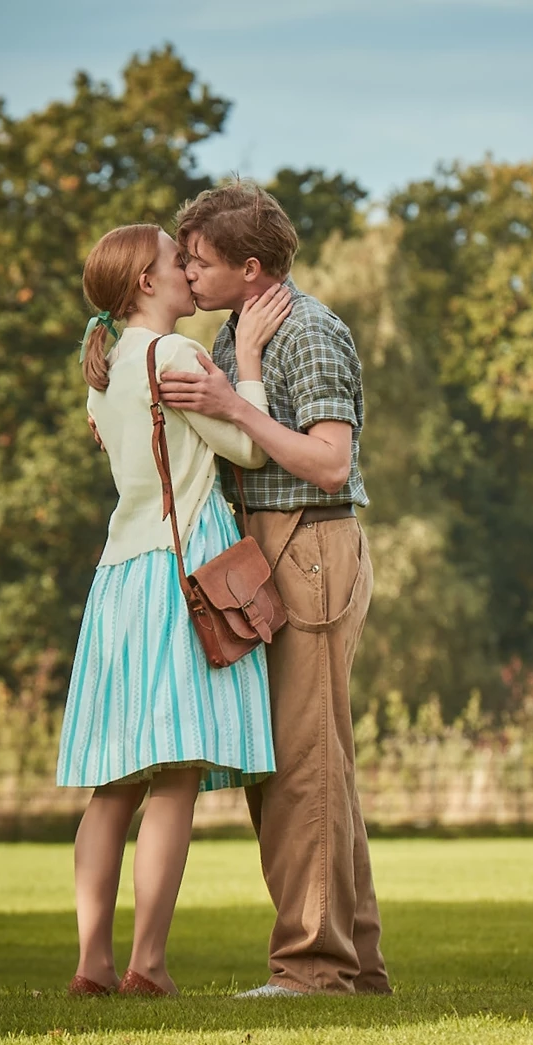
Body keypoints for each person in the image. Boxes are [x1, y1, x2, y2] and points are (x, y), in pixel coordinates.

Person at [159, 181, 390, 997]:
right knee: (301, 763)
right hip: (263, 547)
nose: (187, 271)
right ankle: (353, 967)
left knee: (303, 766)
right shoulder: (236, 332)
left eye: (200, 259)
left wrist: (230, 400)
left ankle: (311, 968)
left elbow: (331, 461)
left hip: (312, 545)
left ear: (248, 268)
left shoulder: (312, 331)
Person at [56, 222, 292, 998]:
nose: (190, 273)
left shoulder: (105, 368)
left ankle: (91, 962)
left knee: (114, 783)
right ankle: (147, 964)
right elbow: (249, 448)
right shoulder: (175, 356)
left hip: (118, 579)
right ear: (144, 285)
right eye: (175, 261)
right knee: (174, 776)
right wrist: (247, 361)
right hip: (180, 572)